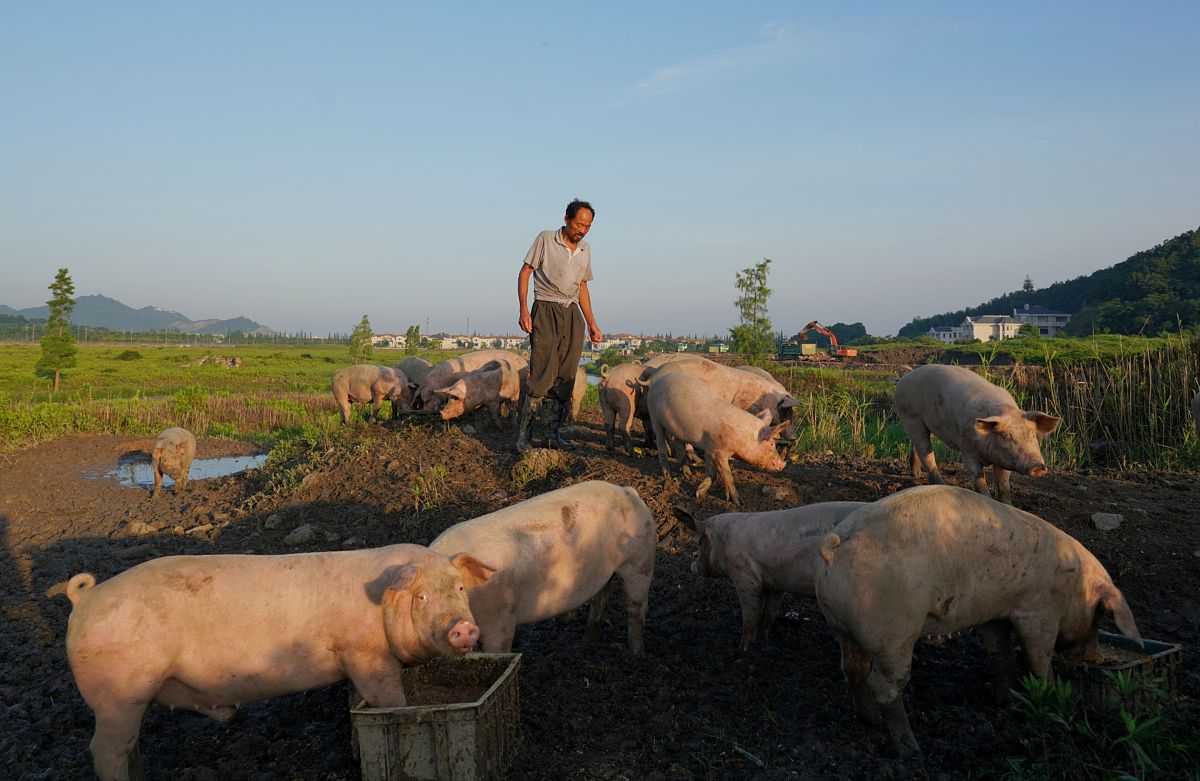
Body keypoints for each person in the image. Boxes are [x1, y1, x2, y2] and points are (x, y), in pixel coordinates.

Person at [514, 199, 603, 452]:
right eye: (578, 224)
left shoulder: (585, 249)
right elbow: (524, 273)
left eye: (587, 226)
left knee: (566, 377)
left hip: (572, 313)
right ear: (566, 219)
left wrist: (592, 323)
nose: (582, 230)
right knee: (542, 374)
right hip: (546, 308)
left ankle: (552, 435)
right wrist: (523, 308)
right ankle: (524, 436)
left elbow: (582, 286)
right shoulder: (545, 239)